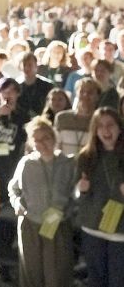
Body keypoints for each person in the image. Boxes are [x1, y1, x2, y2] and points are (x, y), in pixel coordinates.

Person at [8, 116, 75, 287]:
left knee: (58, 275)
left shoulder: (68, 163)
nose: (41, 143)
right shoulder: (26, 163)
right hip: (30, 224)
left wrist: (68, 212)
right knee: (31, 274)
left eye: (45, 138)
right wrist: (17, 204)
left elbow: (76, 195)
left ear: (54, 137)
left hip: (58, 225)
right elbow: (13, 189)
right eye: (36, 140)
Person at [74, 108, 124, 287]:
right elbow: (76, 193)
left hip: (120, 233)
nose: (105, 130)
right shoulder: (86, 156)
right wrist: (81, 189)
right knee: (96, 280)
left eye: (110, 125)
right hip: (93, 228)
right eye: (100, 126)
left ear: (120, 127)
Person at [54, 77, 100, 157]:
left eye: (90, 92)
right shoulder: (62, 118)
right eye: (82, 91)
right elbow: (56, 147)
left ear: (97, 96)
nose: (85, 95)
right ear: (76, 94)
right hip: (65, 166)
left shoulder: (99, 120)